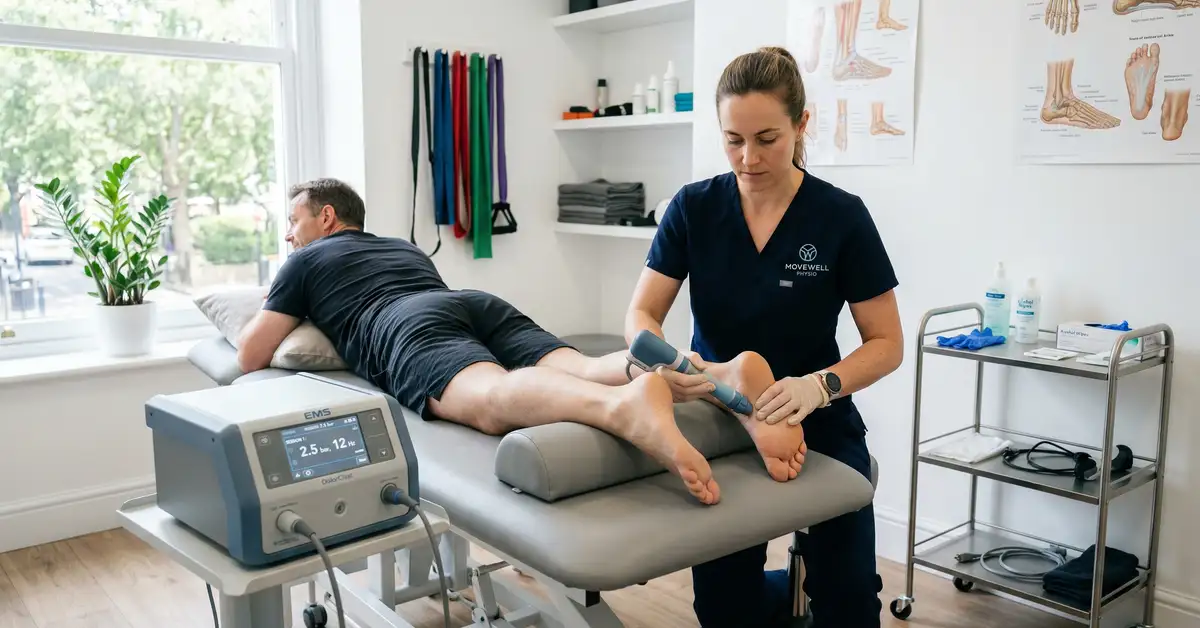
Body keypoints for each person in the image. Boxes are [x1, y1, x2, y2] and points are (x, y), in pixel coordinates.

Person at [236, 178, 807, 506]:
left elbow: (250, 355)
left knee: (491, 396)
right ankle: (720, 375)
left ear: (326, 218)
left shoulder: (305, 260)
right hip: (470, 302)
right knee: (581, 365)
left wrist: (284, 294)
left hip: (404, 323)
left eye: (293, 222)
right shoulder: (400, 247)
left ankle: (622, 408)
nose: (288, 234)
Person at [624, 46, 904, 627]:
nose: (748, 158)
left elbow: (886, 343)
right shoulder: (693, 208)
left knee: (850, 600)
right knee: (724, 607)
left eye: (767, 139)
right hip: (719, 415)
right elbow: (642, 315)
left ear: (802, 125)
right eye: (733, 140)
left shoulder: (841, 216)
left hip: (817, 417)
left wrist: (819, 387)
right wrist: (668, 363)